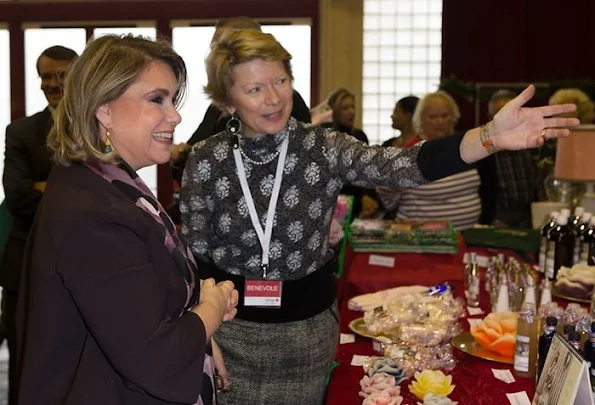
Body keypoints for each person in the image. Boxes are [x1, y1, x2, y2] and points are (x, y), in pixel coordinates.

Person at [180, 29, 578, 405]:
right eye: (254, 89)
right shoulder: (205, 159)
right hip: (231, 336)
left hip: (307, 334)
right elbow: (195, 256)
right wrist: (202, 331)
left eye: (281, 81)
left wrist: (489, 136)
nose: (273, 98)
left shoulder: (323, 145)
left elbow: (401, 165)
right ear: (228, 102)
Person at [17, 35, 239, 405]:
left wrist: (199, 323)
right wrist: (209, 311)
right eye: (157, 99)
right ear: (103, 109)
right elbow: (154, 356)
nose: (175, 115)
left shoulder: (109, 182)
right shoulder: (92, 210)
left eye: (172, 100)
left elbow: (131, 306)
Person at [2, 44, 78, 405]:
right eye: (45, 76)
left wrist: (47, 185)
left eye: (61, 74)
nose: (52, 83)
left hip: (83, 265)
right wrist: (74, 188)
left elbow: (110, 188)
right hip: (26, 267)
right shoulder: (20, 132)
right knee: (25, 361)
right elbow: (17, 197)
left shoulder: (100, 126)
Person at [170, 17, 311, 183]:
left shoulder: (287, 103)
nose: (273, 99)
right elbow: (193, 154)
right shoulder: (218, 108)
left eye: (223, 47)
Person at [377, 91, 487, 230]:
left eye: (445, 115)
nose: (440, 121)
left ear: (454, 117)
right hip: (421, 239)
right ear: (420, 121)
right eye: (433, 117)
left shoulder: (467, 144)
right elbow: (386, 193)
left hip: (468, 235)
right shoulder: (411, 151)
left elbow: (487, 188)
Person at [321, 88, 375, 218]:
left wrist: (366, 195)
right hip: (332, 199)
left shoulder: (359, 136)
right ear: (334, 111)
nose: (351, 112)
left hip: (356, 197)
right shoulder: (325, 136)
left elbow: (366, 170)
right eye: (345, 108)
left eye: (353, 107)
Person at [488, 89, 537, 228]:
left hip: (531, 219)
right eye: (499, 114)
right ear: (490, 117)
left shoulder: (534, 142)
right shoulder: (483, 150)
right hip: (498, 221)